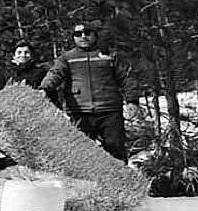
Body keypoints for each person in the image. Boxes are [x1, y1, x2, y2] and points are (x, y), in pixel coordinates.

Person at [40, 22, 141, 162]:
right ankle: (87, 184)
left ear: (95, 35)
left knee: (115, 151)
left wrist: (132, 100)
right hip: (80, 112)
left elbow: (126, 77)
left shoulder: (110, 55)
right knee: (82, 155)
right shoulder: (67, 58)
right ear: (73, 38)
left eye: (87, 33)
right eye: (78, 34)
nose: (83, 37)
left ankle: (120, 182)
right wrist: (45, 89)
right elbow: (55, 74)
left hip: (109, 111)